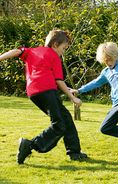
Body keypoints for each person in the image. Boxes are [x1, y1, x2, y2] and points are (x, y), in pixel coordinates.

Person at [0, 29, 88, 164]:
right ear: (55, 44)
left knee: (65, 118)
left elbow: (16, 51)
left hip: (33, 92)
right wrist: (72, 97)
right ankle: (29, 145)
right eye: (63, 48)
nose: (63, 52)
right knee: (59, 124)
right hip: (47, 90)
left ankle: (74, 152)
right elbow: (59, 81)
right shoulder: (54, 56)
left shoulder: (33, 50)